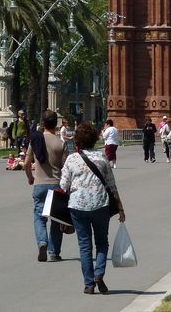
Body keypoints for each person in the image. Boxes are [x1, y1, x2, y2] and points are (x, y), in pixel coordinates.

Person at [60, 123, 125, 295]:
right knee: (102, 242)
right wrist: (120, 207)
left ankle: (89, 284)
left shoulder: (71, 159)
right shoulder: (101, 158)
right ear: (95, 139)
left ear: (78, 141)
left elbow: (63, 185)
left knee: (84, 245)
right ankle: (99, 274)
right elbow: (112, 184)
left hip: (77, 206)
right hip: (100, 205)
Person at [24, 109, 68, 262]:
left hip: (40, 184)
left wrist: (30, 178)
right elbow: (66, 168)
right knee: (56, 220)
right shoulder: (61, 143)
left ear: (43, 123)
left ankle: (42, 242)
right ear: (56, 125)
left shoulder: (36, 140)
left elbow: (26, 163)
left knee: (39, 217)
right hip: (56, 184)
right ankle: (54, 252)